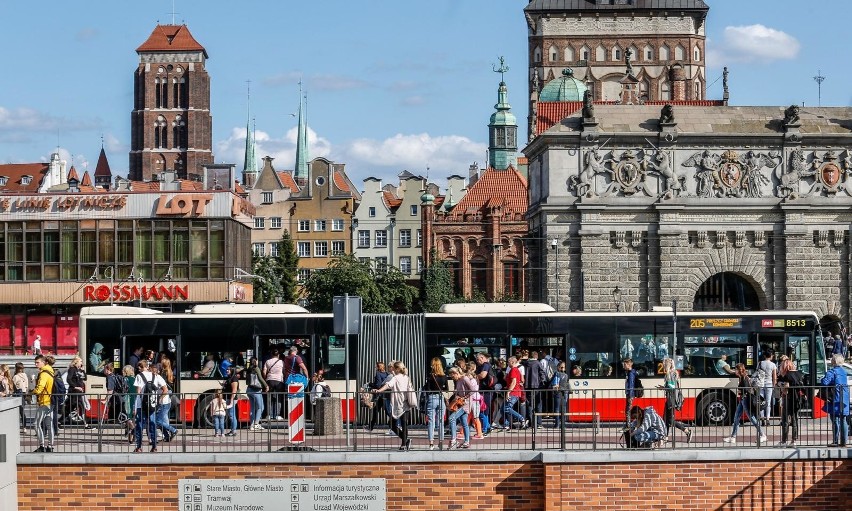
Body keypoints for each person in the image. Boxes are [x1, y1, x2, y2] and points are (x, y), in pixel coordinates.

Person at [372, 360, 414, 451]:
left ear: (397, 369)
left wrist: (379, 391)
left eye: (394, 368)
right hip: (406, 403)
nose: (392, 370)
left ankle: (405, 441)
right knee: (404, 424)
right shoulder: (406, 377)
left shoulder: (395, 378)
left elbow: (387, 385)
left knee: (391, 423)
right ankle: (404, 443)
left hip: (398, 403)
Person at [722, 363, 766, 445]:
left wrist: (739, 391)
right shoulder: (741, 377)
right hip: (742, 400)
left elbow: (746, 389)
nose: (735, 371)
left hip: (745, 399)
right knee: (736, 417)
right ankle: (733, 437)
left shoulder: (744, 378)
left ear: (739, 370)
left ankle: (762, 435)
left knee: (751, 418)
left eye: (736, 369)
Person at [133, 359, 166, 453]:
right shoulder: (155, 376)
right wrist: (159, 399)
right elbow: (165, 389)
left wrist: (135, 406)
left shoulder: (139, 376)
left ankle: (139, 447)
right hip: (152, 404)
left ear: (140, 367)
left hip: (141, 404)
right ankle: (154, 446)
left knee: (139, 425)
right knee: (152, 424)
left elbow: (138, 392)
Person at [659, 357, 692, 442]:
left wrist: (665, 388)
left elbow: (672, 387)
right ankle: (665, 437)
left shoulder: (671, 373)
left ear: (669, 365)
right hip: (670, 399)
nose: (663, 366)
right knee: (666, 419)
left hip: (672, 400)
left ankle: (686, 431)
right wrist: (663, 387)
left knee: (670, 420)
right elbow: (671, 386)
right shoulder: (670, 373)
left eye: (665, 364)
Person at [820, 353, 850, 447]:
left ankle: (835, 440)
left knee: (835, 419)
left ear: (834, 361)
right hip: (844, 397)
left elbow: (825, 383)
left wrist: (822, 379)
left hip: (835, 397)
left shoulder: (832, 372)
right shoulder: (844, 371)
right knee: (843, 419)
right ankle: (844, 441)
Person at [777, 357, 803, 447]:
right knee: (795, 419)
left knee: (785, 420)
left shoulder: (786, 375)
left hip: (787, 398)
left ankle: (784, 440)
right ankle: (794, 440)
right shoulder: (798, 374)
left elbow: (785, 387)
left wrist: (781, 384)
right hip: (796, 399)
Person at [32, 355, 55, 452]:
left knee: (36, 424)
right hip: (51, 401)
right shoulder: (51, 371)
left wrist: (32, 392)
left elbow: (40, 388)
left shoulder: (44, 373)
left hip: (44, 401)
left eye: (37, 362)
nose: (36, 364)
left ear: (43, 362)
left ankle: (42, 446)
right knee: (49, 425)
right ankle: (50, 446)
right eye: (35, 362)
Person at [424, 357, 448, 450]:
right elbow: (446, 389)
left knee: (431, 421)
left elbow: (428, 389)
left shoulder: (431, 376)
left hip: (432, 398)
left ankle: (431, 443)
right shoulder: (444, 376)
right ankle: (441, 442)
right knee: (441, 421)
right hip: (441, 398)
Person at [499, 356, 528, 431]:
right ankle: (506, 425)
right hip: (514, 392)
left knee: (507, 408)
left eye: (508, 362)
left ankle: (521, 418)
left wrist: (508, 392)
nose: (507, 363)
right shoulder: (516, 370)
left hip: (514, 392)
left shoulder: (513, 370)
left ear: (512, 362)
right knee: (503, 409)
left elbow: (514, 382)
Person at [446, 367, 471, 449]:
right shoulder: (459, 380)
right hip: (460, 403)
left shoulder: (464, 379)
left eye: (453, 376)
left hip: (465, 403)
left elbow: (473, 389)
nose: (453, 378)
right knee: (464, 422)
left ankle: (454, 439)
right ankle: (467, 441)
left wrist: (465, 397)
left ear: (456, 373)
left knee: (451, 418)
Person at [155, 360, 179, 442]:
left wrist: (160, 398)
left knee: (158, 420)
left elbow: (164, 388)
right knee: (161, 419)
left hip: (163, 399)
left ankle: (173, 430)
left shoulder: (163, 374)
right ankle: (166, 436)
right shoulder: (169, 372)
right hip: (166, 398)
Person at [245, 357, 268, 430]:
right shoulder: (256, 368)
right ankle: (256, 424)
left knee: (252, 408)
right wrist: (266, 385)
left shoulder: (249, 369)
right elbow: (260, 378)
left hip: (249, 389)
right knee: (260, 407)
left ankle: (251, 425)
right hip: (256, 390)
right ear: (256, 361)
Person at [66, 356, 89, 429]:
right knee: (79, 406)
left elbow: (85, 378)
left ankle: (60, 421)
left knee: (73, 407)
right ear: (76, 362)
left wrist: (83, 371)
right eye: (81, 361)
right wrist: (75, 386)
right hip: (74, 392)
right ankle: (86, 424)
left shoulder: (78, 370)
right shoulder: (72, 369)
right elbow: (68, 379)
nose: (82, 363)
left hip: (80, 392)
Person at [474, 352, 493, 436]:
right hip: (484, 390)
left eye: (478, 359)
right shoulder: (482, 366)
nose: (477, 361)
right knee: (484, 410)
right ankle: (487, 427)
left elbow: (483, 375)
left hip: (486, 390)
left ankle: (485, 428)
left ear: (482, 358)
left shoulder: (486, 365)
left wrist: (473, 377)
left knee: (483, 410)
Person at [367, 361, 390, 432]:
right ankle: (370, 427)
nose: (375, 367)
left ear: (378, 367)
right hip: (386, 395)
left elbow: (378, 385)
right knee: (385, 411)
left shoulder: (378, 374)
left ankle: (396, 424)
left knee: (378, 411)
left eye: (376, 366)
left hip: (380, 395)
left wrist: (370, 384)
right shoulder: (387, 374)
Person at [262, 349, 285, 420]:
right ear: (278, 355)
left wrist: (265, 378)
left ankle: (269, 415)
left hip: (270, 380)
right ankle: (277, 415)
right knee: (278, 398)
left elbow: (264, 371)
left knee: (269, 398)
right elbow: (284, 371)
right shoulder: (281, 362)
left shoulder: (268, 361)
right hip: (279, 381)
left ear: (271, 354)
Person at [758, 350, 778, 421]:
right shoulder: (773, 365)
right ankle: (768, 419)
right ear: (771, 356)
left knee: (761, 401)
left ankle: (762, 418)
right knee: (768, 402)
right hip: (769, 384)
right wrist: (774, 385)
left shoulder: (760, 363)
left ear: (764, 356)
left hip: (761, 384)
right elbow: (774, 377)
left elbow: (757, 373)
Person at [551, 362, 570, 428]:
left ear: (558, 367)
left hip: (558, 392)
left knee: (557, 408)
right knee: (563, 408)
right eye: (562, 367)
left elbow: (554, 383)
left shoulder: (557, 373)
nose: (562, 368)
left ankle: (557, 424)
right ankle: (563, 425)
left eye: (563, 367)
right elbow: (567, 384)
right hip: (565, 393)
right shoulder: (566, 375)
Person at [223, 364, 240, 437]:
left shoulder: (234, 379)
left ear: (232, 370)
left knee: (232, 415)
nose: (227, 370)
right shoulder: (230, 378)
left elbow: (234, 390)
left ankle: (233, 431)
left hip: (231, 399)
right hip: (229, 398)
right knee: (231, 415)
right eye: (227, 369)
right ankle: (232, 430)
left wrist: (231, 400)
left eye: (229, 369)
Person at [13, 362, 28, 429]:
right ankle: (24, 426)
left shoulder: (15, 376)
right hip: (24, 393)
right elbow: (27, 385)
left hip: (18, 393)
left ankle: (19, 426)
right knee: (22, 411)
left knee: (17, 411)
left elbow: (13, 386)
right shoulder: (25, 375)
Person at [623, 358, 638, 425]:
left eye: (625, 364)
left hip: (630, 394)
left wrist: (630, 394)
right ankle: (628, 424)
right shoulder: (630, 372)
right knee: (628, 410)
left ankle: (628, 425)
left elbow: (631, 385)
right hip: (629, 393)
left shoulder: (631, 373)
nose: (623, 366)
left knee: (628, 410)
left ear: (628, 365)